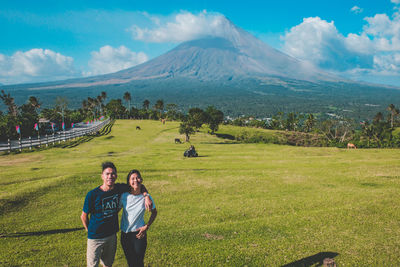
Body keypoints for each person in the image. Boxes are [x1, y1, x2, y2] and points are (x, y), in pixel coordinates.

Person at [81, 162, 152, 267]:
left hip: (111, 235)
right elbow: (83, 216)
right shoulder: (93, 194)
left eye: (113, 174)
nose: (110, 176)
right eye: (107, 174)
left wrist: (146, 195)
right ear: (102, 176)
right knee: (92, 265)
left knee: (108, 264)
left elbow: (138, 184)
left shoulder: (119, 188)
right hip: (95, 237)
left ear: (116, 175)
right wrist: (89, 230)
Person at [119, 169, 157, 267]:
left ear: (141, 179)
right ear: (128, 182)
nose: (135, 180)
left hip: (139, 234)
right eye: (132, 179)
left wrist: (147, 226)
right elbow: (116, 210)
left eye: (137, 178)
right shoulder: (124, 196)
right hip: (125, 234)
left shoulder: (146, 198)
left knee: (139, 262)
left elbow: (154, 212)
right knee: (130, 262)